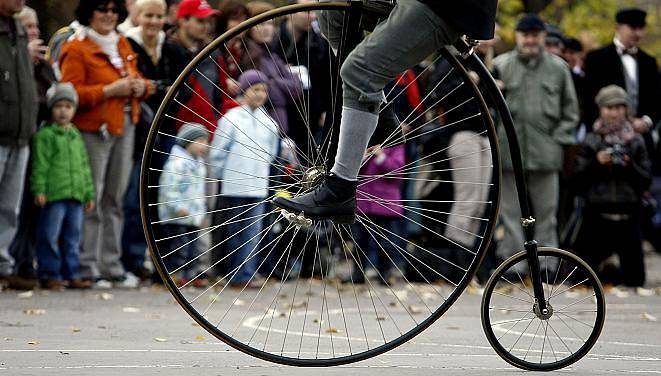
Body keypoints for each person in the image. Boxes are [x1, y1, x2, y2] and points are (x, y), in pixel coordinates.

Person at [272, 0, 498, 223]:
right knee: (331, 10)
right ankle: (379, 116)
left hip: (445, 6)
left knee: (359, 71)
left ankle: (341, 186)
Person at [60, 0, 153, 287]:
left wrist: (142, 87)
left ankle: (111, 265)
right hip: (93, 129)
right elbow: (68, 93)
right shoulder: (76, 47)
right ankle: (88, 266)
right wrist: (109, 90)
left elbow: (143, 81)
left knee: (115, 198)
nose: (109, 15)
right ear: (90, 13)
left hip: (124, 125)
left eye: (114, 10)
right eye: (102, 9)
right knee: (94, 198)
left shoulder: (123, 43)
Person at [492, 14, 579, 265]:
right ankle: (513, 264)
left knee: (547, 213)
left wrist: (556, 140)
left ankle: (547, 265)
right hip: (509, 151)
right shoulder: (501, 64)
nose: (530, 40)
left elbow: (571, 111)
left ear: (543, 37)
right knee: (510, 212)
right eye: (525, 35)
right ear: (518, 37)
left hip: (546, 154)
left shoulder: (558, 68)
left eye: (535, 35)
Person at [573, 85, 651, 287]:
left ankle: (614, 269)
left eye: (618, 108)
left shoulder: (636, 141)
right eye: (609, 108)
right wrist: (596, 163)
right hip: (597, 214)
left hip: (628, 214)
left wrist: (628, 165)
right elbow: (578, 181)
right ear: (600, 109)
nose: (614, 113)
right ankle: (607, 267)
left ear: (625, 109)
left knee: (635, 280)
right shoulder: (591, 140)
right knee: (584, 279)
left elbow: (645, 180)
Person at [209, 70, 280, 289]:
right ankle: (231, 272)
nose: (260, 95)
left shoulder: (270, 123)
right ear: (244, 90)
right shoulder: (230, 119)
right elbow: (218, 153)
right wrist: (224, 178)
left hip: (258, 187)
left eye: (264, 90)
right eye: (255, 89)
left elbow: (271, 154)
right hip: (234, 186)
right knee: (233, 230)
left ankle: (246, 272)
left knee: (252, 232)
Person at [7, 5, 57, 289]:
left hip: (36, 139)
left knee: (27, 208)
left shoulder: (42, 64)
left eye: (36, 27)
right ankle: (11, 262)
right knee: (14, 205)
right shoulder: (15, 56)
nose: (34, 33)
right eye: (28, 27)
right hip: (15, 134)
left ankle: (24, 263)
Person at [31, 83, 96, 290]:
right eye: (59, 106)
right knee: (49, 236)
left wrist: (88, 193)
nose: (63, 111)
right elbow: (39, 165)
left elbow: (84, 166)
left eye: (68, 106)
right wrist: (39, 189)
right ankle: (49, 273)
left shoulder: (76, 136)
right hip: (54, 195)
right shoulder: (45, 136)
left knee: (73, 237)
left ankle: (72, 273)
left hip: (76, 196)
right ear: (51, 108)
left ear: (74, 110)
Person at [0, 0, 39, 291]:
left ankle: (3, 266)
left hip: (20, 132)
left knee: (9, 208)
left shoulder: (17, 27)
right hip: (2, 130)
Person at [583, 8, 659, 134]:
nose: (638, 34)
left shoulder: (649, 62)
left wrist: (647, 121)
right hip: (605, 136)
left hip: (641, 137)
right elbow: (589, 100)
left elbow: (656, 99)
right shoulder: (596, 58)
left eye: (641, 28)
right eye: (633, 28)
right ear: (617, 28)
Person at [157, 122, 209, 287]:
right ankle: (173, 275)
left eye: (205, 141)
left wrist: (201, 210)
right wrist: (177, 207)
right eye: (199, 141)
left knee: (193, 249)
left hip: (193, 216)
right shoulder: (176, 164)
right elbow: (168, 189)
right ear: (187, 141)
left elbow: (200, 191)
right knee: (178, 248)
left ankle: (189, 274)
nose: (204, 145)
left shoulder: (200, 165)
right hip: (176, 216)